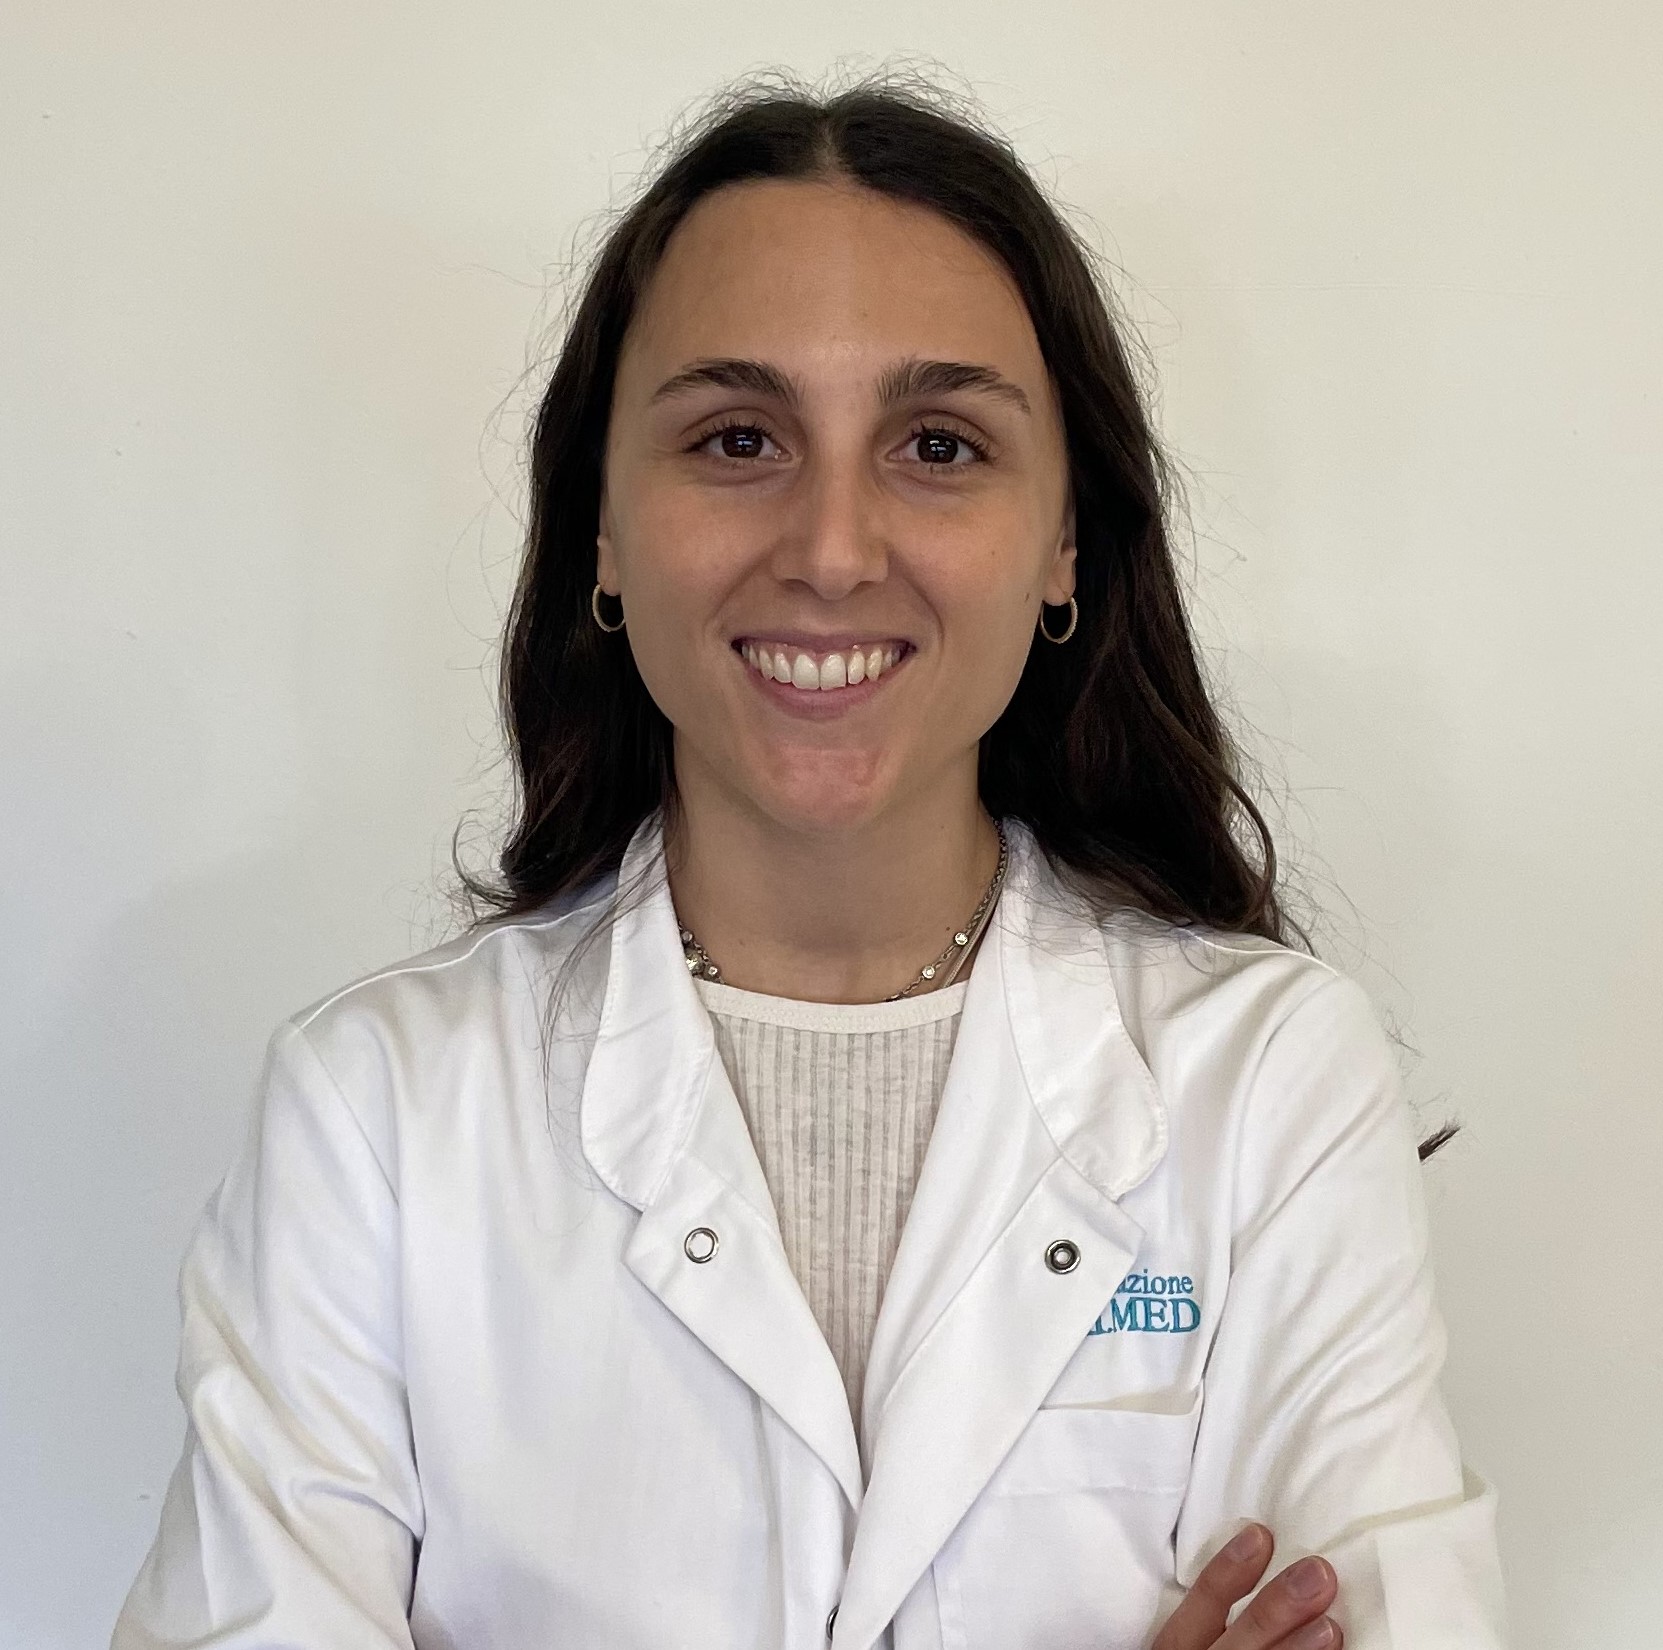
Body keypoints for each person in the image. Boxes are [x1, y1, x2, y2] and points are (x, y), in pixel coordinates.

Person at [113, 79, 1507, 1650]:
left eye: (938, 443)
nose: (834, 550)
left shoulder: (1268, 1086)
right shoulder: (374, 1114)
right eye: (737, 438)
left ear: (1066, 543)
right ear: (602, 532)